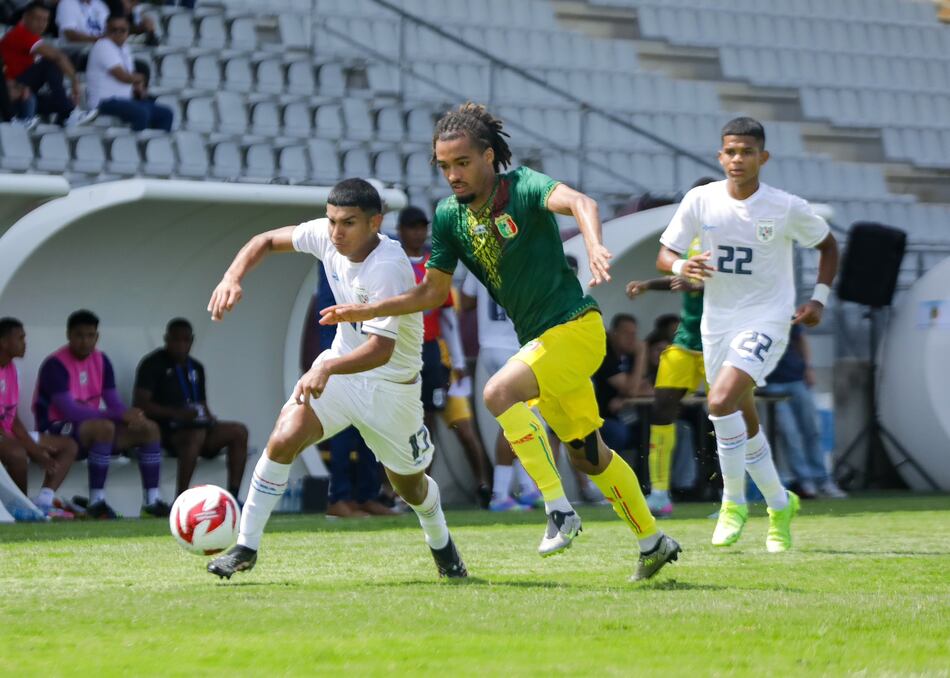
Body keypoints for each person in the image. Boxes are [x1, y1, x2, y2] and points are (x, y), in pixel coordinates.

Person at [320, 103, 680, 581]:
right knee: (589, 456)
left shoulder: (524, 187)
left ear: (489, 157)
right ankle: (652, 541)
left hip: (575, 327)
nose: (452, 175)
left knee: (498, 393)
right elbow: (432, 292)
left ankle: (558, 509)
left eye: (462, 163)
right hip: (542, 344)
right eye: (444, 166)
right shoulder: (449, 218)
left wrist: (593, 244)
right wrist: (367, 310)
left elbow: (583, 204)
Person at [205, 178, 467, 580]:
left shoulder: (389, 267)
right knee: (284, 437)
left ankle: (442, 544)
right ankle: (245, 545)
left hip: (392, 389)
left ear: (375, 223)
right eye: (331, 221)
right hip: (344, 369)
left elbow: (382, 350)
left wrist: (325, 367)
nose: (336, 232)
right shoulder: (328, 237)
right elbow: (262, 241)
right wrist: (231, 277)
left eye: (348, 223)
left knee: (410, 488)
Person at [656, 116, 839, 552]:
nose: (738, 159)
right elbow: (667, 254)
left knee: (718, 402)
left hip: (767, 319)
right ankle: (779, 503)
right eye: (731, 151)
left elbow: (829, 246)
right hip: (717, 323)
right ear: (721, 156)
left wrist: (819, 299)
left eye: (747, 151)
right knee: (744, 418)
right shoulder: (701, 200)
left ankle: (732, 502)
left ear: (763, 157)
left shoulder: (785, 206)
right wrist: (683, 266)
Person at [397, 205, 492, 508]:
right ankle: (415, 491)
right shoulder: (394, 264)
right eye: (412, 226)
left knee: (458, 426)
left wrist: (460, 363)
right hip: (407, 354)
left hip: (439, 358)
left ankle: (482, 486)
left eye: (422, 226)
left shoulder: (435, 266)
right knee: (419, 425)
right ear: (400, 230)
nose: (418, 232)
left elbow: (449, 318)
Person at [33, 309, 169, 519]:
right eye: (79, 335)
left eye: (90, 336)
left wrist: (132, 416)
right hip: (55, 428)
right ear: (69, 335)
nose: (85, 341)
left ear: (97, 336)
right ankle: (97, 501)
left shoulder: (101, 360)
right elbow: (71, 411)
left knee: (149, 428)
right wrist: (118, 416)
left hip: (92, 430)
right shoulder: (55, 364)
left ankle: (152, 501)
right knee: (104, 427)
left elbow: (114, 402)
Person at [626, 237, 707, 518]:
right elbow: (678, 277)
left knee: (728, 414)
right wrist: (648, 285)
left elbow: (740, 285)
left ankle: (734, 497)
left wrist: (698, 285)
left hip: (719, 340)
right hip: (686, 342)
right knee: (661, 409)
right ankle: (659, 493)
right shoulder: (692, 241)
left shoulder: (731, 237)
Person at [133, 318, 249, 501]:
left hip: (198, 428)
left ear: (192, 340)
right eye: (176, 340)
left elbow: (201, 403)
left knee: (239, 431)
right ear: (166, 339)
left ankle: (233, 497)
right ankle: (181, 499)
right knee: (195, 435)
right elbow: (141, 405)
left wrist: (209, 418)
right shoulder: (152, 364)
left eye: (185, 340)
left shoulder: (196, 367)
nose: (181, 345)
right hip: (167, 431)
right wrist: (176, 414)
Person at [314, 262, 394, 519]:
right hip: (340, 352)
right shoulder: (331, 255)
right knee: (343, 425)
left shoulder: (374, 257)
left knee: (370, 421)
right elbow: (330, 319)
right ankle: (339, 497)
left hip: (367, 348)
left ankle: (366, 496)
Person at [458, 267, 541, 512]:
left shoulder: (481, 259)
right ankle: (500, 494)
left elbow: (465, 301)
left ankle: (526, 487)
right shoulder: (526, 257)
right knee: (516, 420)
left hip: (489, 346)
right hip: (513, 346)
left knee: (520, 419)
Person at [0, 317, 78, 518]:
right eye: (20, 337)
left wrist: (35, 449)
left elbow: (12, 417)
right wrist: (31, 449)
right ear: (3, 342)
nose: (25, 343)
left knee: (68, 446)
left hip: (9, 435)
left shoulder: (11, 369)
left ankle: (43, 499)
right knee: (17, 453)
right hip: (4, 438)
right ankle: (20, 506)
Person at [759, 325, 847, 499]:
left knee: (812, 430)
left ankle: (822, 480)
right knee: (789, 435)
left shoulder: (784, 307)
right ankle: (805, 481)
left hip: (797, 379)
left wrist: (808, 367)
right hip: (771, 384)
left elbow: (801, 339)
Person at [0, 2, 95, 126]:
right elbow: (58, 57)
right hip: (9, 89)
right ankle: (69, 114)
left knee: (61, 101)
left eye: (45, 20)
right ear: (26, 17)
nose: (41, 24)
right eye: (37, 19)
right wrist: (74, 82)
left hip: (24, 88)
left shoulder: (31, 37)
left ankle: (66, 118)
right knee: (50, 63)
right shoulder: (20, 33)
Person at [86, 14, 172, 131]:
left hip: (125, 100)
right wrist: (140, 78)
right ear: (106, 29)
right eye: (114, 30)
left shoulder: (125, 48)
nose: (118, 33)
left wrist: (137, 86)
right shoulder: (103, 45)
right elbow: (123, 76)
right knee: (141, 113)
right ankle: (136, 147)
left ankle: (156, 147)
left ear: (128, 31)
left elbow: (129, 77)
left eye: (122, 30)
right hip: (105, 101)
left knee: (166, 114)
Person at [592, 313, 651, 464]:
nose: (632, 339)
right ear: (614, 333)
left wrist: (625, 397)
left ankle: (645, 482)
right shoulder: (605, 354)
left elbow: (645, 386)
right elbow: (632, 390)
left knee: (653, 431)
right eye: (626, 333)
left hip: (626, 415)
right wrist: (641, 353)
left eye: (634, 334)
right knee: (619, 433)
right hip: (602, 419)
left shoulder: (628, 356)